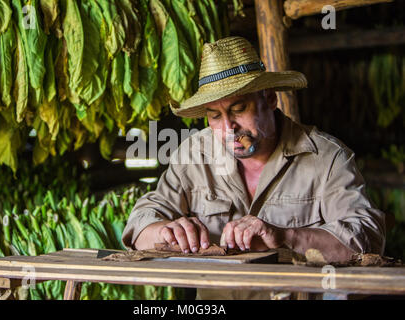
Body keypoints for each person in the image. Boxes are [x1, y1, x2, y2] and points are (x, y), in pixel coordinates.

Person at [121, 36, 386, 299]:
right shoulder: (193, 156)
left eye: (239, 108)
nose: (228, 128)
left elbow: (368, 238)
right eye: (215, 116)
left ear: (270, 99)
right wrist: (164, 230)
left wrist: (285, 237)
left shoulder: (326, 158)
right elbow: (140, 225)